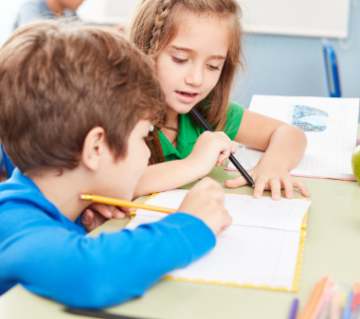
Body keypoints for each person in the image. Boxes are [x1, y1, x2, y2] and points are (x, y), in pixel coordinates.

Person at [0, 21, 232, 308]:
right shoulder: (13, 223)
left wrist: (81, 225)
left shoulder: (39, 199)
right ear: (96, 148)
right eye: (144, 135)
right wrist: (191, 224)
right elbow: (93, 273)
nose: (148, 153)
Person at [127, 0, 311, 201]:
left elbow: (290, 134)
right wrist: (194, 164)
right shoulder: (118, 117)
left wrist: (273, 165)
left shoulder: (206, 109)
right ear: (144, 50)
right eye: (180, 59)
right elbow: (114, 185)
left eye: (213, 66)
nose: (196, 79)